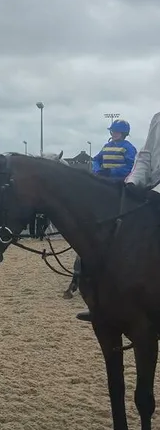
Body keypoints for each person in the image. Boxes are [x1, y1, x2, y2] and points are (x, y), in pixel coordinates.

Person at [76, 118, 138, 322]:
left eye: (117, 132)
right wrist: (96, 170)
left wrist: (112, 172)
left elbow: (131, 165)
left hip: (121, 185)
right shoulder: (107, 146)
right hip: (104, 183)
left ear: (124, 134)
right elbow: (96, 158)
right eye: (113, 131)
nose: (114, 134)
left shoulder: (128, 148)